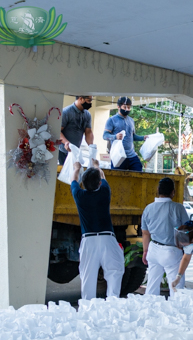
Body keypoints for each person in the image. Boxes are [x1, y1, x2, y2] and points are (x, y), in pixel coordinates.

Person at [70, 158, 124, 300]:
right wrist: (96, 166)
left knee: (87, 277)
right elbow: (102, 176)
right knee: (114, 272)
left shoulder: (79, 196)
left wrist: (76, 168)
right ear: (99, 183)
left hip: (89, 240)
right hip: (108, 238)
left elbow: (73, 181)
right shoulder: (105, 192)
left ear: (83, 183)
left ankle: (88, 309)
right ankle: (113, 303)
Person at [141, 177, 193, 296]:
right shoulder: (178, 207)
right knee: (176, 288)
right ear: (173, 192)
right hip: (172, 251)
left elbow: (145, 233)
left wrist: (145, 251)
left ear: (158, 190)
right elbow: (186, 230)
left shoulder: (148, 208)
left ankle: (149, 310)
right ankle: (177, 312)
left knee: (151, 286)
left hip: (153, 249)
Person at [103, 96, 148, 171]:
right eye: (125, 107)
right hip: (118, 155)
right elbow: (105, 136)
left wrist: (143, 138)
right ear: (118, 107)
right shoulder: (111, 120)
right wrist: (115, 136)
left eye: (129, 107)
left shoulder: (131, 120)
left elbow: (132, 136)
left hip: (131, 155)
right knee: (117, 178)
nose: (127, 109)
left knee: (139, 171)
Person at [58, 96, 94, 165]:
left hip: (76, 151)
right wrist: (66, 142)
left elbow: (88, 132)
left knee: (75, 173)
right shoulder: (66, 112)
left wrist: (91, 147)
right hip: (63, 151)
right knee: (64, 173)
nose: (90, 103)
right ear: (80, 99)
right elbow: (58, 131)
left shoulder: (87, 115)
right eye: (89, 100)